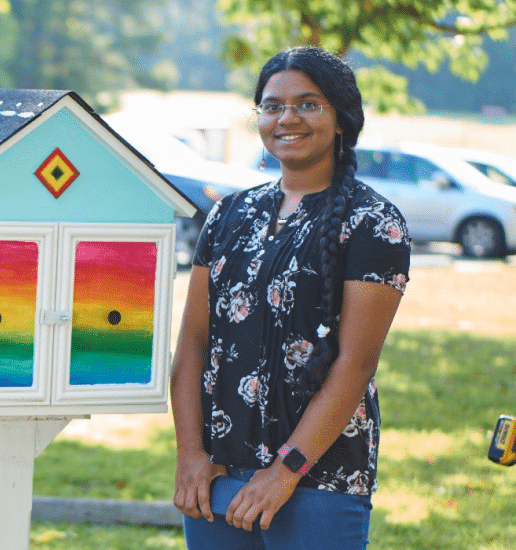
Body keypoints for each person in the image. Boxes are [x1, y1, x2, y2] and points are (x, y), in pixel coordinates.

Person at [169, 46, 411, 549]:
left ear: (341, 119)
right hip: (218, 475)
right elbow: (192, 344)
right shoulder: (229, 213)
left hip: (319, 481)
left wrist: (283, 473)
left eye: (308, 104)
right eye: (272, 106)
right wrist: (190, 453)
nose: (287, 118)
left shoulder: (373, 223)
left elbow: (356, 364)